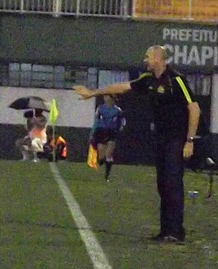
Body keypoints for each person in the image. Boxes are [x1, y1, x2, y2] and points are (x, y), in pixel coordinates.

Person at [73, 45, 201, 243]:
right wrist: (93, 93)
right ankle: (165, 230)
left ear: (158, 58)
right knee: (163, 184)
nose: (145, 60)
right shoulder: (147, 80)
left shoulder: (176, 80)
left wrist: (189, 141)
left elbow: (194, 109)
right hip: (161, 138)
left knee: (173, 183)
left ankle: (175, 231)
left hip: (176, 139)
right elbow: (122, 87)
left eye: (148, 56)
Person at [91, 95, 126, 182]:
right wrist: (93, 132)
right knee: (101, 157)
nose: (105, 97)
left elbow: (123, 121)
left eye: (108, 96)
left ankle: (107, 176)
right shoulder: (100, 108)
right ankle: (101, 161)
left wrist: (119, 128)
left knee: (108, 154)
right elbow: (96, 120)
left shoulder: (117, 110)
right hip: (101, 131)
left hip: (111, 132)